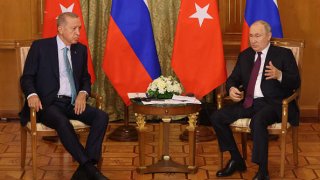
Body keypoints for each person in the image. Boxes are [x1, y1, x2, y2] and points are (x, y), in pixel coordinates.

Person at [20, 12, 109, 180]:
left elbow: (85, 78)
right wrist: (32, 94)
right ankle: (91, 170)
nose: (78, 33)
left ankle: (85, 170)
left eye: (79, 29)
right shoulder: (40, 47)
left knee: (101, 117)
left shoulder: (80, 50)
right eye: (74, 28)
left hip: (73, 103)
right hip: (47, 104)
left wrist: (83, 93)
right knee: (62, 121)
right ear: (60, 29)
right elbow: (27, 77)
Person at [210, 20, 300, 180]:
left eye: (258, 36)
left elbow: (295, 82)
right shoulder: (245, 55)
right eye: (251, 36)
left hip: (275, 104)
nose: (253, 40)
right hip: (250, 102)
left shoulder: (283, 54)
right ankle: (236, 159)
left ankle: (263, 170)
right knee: (217, 117)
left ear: (269, 36)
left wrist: (279, 75)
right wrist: (231, 89)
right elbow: (233, 79)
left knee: (257, 121)